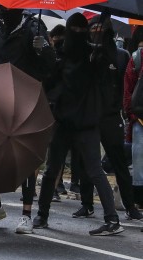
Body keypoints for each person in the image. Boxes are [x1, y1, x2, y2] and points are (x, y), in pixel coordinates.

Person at [32, 15, 123, 236]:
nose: (77, 32)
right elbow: (49, 80)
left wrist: (104, 45)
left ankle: (111, 219)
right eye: (74, 28)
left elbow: (108, 71)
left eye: (80, 29)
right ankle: (42, 214)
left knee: (88, 170)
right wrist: (43, 53)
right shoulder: (66, 54)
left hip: (83, 122)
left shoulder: (94, 55)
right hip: (69, 121)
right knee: (54, 169)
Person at [0, 6, 56, 234]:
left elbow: (50, 66)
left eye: (8, 8)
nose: (3, 11)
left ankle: (26, 215)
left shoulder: (33, 27)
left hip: (25, 99)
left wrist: (43, 50)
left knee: (27, 157)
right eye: (1, 7)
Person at [77, 16, 142, 221]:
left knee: (119, 163)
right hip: (89, 115)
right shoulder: (86, 54)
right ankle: (86, 203)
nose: (97, 32)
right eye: (93, 28)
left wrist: (124, 111)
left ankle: (130, 205)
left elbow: (126, 86)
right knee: (87, 160)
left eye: (100, 28)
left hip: (111, 116)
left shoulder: (120, 55)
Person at [124, 26, 143, 213]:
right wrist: (131, 114)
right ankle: (139, 200)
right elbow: (128, 87)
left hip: (138, 119)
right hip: (139, 119)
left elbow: (128, 88)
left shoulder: (136, 57)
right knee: (139, 163)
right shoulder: (137, 58)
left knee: (139, 162)